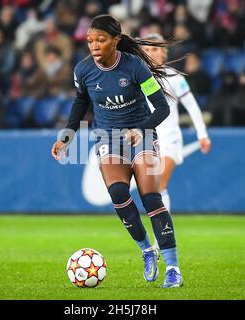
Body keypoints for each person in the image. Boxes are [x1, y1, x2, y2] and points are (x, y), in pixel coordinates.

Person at [52, 15, 183, 288]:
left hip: (141, 136)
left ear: (116, 40)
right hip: (108, 139)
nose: (94, 46)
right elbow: (80, 102)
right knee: (118, 194)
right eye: (90, 41)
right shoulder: (83, 71)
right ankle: (148, 250)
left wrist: (141, 128)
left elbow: (162, 107)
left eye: (101, 40)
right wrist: (67, 136)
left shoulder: (135, 67)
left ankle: (173, 268)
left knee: (151, 200)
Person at [141, 33, 210, 215]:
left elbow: (192, 107)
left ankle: (162, 238)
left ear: (164, 52)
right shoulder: (135, 79)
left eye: (154, 49)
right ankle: (161, 235)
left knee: (158, 184)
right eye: (146, 49)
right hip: (147, 142)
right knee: (151, 191)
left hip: (170, 139)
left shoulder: (175, 79)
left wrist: (202, 134)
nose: (150, 53)